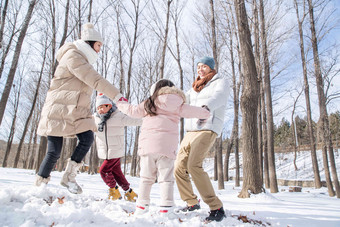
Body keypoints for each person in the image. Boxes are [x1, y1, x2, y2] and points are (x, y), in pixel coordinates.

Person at [35, 23, 124, 194]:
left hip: (73, 111)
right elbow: (95, 80)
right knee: (54, 152)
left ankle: (69, 177)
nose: (99, 50)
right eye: (98, 46)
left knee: (87, 137)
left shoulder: (82, 59)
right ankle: (39, 187)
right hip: (58, 110)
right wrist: (117, 96)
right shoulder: (74, 56)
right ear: (90, 43)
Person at [116, 79, 210, 216]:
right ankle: (166, 207)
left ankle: (141, 207)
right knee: (166, 179)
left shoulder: (150, 102)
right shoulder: (178, 103)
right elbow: (198, 112)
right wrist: (205, 112)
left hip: (148, 146)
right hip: (167, 148)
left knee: (146, 178)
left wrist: (120, 102)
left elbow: (132, 111)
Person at [174, 56, 230, 222]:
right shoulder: (194, 88)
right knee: (178, 167)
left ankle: (216, 207)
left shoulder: (220, 82)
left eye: (204, 66)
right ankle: (192, 202)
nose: (200, 69)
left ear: (211, 68)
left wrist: (206, 108)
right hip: (191, 130)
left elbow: (219, 97)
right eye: (198, 67)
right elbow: (183, 100)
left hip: (207, 127)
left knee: (193, 165)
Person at [94, 93, 142, 202]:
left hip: (115, 150)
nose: (100, 110)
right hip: (106, 151)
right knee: (117, 173)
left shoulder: (118, 116)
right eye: (98, 107)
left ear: (109, 106)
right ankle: (130, 193)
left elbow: (134, 120)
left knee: (104, 171)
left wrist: (148, 119)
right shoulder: (96, 119)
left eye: (102, 106)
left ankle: (113, 190)